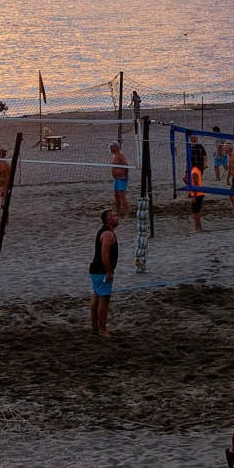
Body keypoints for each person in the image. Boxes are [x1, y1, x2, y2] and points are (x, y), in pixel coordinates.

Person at [88, 208, 120, 336]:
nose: (117, 217)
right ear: (108, 220)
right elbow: (104, 255)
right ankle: (102, 329)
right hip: (101, 271)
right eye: (114, 216)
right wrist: (109, 272)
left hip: (95, 270)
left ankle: (95, 327)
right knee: (104, 300)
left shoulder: (105, 232)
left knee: (96, 296)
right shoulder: (107, 234)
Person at [109, 139, 132, 220]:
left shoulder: (120, 155)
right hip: (117, 178)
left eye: (112, 147)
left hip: (121, 178)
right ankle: (118, 212)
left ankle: (127, 214)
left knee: (122, 196)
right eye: (110, 147)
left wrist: (124, 176)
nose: (111, 149)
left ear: (116, 147)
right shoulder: (114, 155)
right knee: (116, 195)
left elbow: (126, 166)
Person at [184, 155, 206, 231]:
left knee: (196, 213)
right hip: (196, 194)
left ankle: (198, 228)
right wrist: (185, 180)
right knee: (195, 212)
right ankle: (198, 228)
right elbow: (190, 183)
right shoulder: (192, 170)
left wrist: (194, 196)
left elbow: (196, 185)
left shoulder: (194, 172)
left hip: (198, 194)